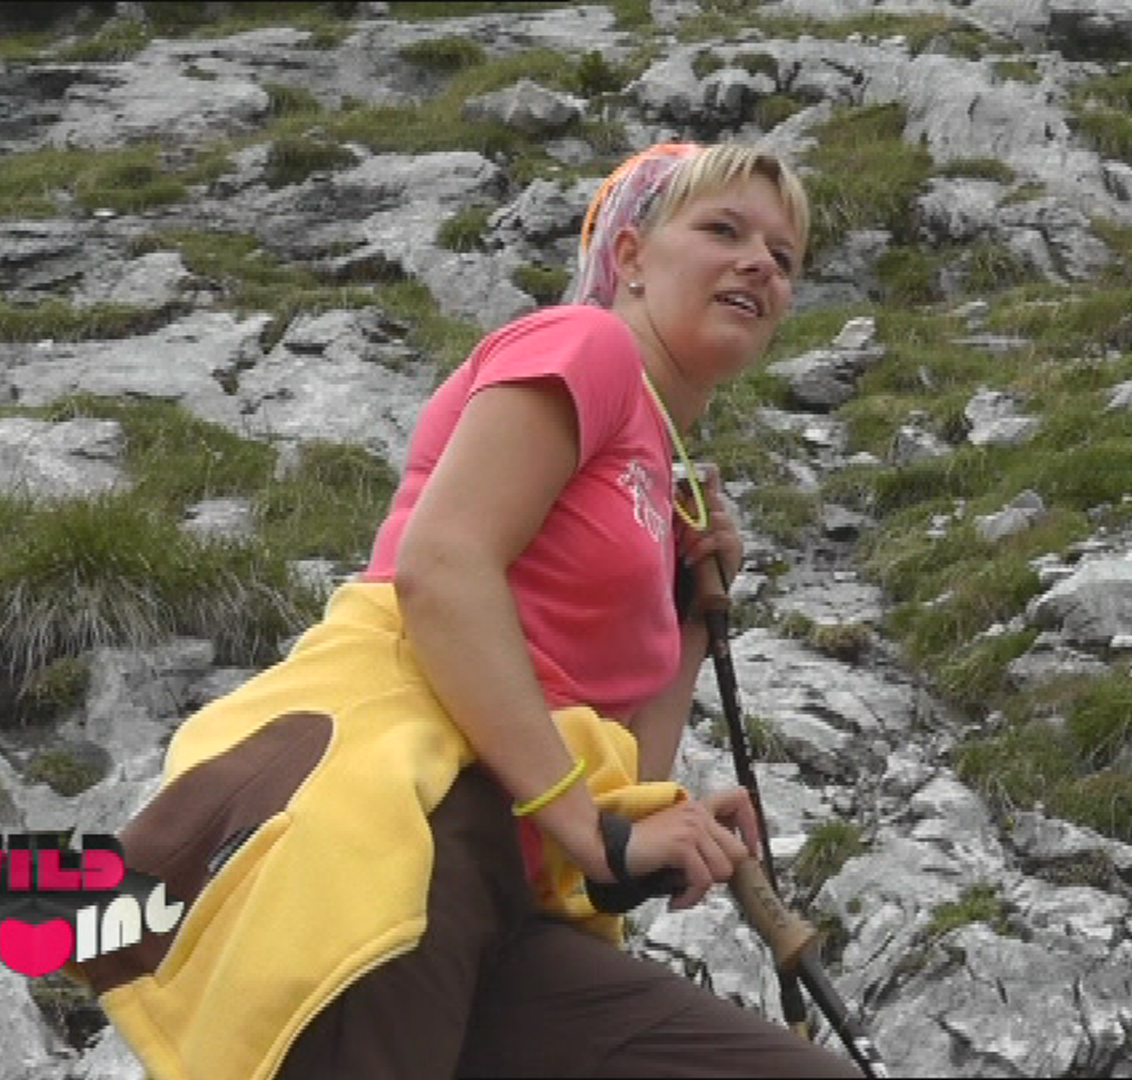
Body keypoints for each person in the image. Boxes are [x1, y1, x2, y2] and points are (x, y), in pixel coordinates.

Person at [75, 142, 865, 1079]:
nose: (759, 264)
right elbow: (441, 568)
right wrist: (591, 830)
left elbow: (621, 771)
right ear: (629, 258)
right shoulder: (586, 344)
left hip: (504, 897)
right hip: (401, 833)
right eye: (724, 230)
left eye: (783, 256)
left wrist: (691, 623)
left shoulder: (661, 483)